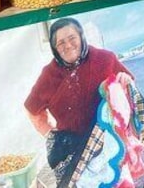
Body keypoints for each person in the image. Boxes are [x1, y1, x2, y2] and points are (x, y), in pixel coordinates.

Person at [25, 18, 135, 184]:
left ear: (81, 37)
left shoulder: (105, 59)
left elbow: (129, 91)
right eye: (60, 42)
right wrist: (51, 135)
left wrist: (125, 82)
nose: (67, 46)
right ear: (54, 48)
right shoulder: (49, 74)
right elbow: (32, 110)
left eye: (72, 38)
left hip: (109, 144)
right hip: (72, 152)